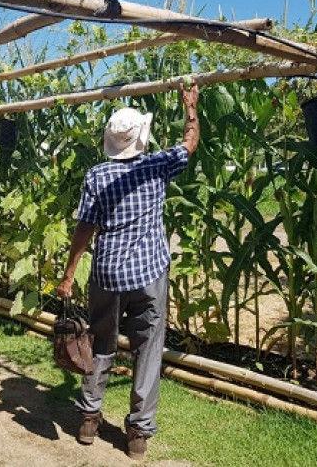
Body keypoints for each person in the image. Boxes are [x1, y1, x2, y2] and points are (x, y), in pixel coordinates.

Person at [56, 83, 200, 461]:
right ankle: (137, 433)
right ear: (141, 138)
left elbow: (84, 228)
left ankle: (88, 419)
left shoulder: (96, 176)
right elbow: (190, 143)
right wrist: (191, 107)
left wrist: (69, 274)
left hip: (106, 275)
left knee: (100, 344)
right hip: (149, 274)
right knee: (148, 350)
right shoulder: (157, 165)